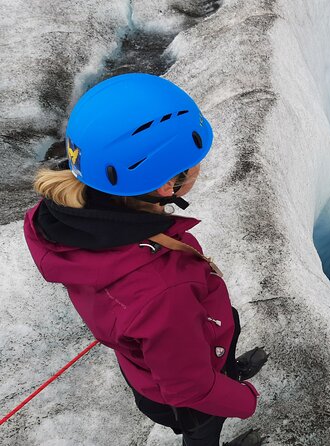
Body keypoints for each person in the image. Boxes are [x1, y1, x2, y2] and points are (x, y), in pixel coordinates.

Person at [23, 73, 267, 446]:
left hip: (163, 355)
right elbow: (191, 388)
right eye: (194, 161)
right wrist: (243, 401)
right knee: (204, 428)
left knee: (214, 358)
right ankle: (227, 388)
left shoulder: (79, 224)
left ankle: (228, 369)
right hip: (185, 391)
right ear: (168, 186)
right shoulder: (163, 290)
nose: (201, 165)